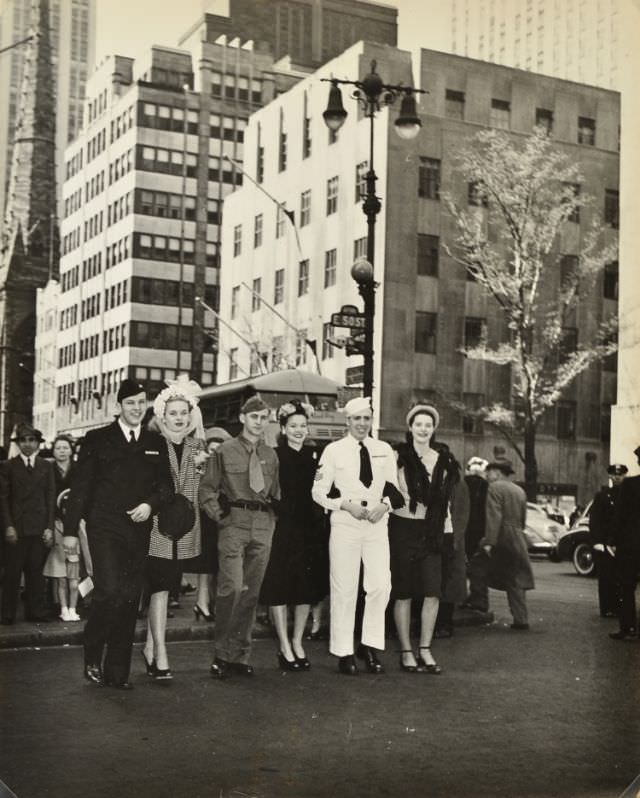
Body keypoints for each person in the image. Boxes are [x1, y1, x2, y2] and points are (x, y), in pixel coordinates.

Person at [63, 379, 173, 689]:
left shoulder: (156, 442)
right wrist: (70, 531)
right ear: (119, 407)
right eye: (130, 403)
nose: (137, 408)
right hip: (104, 526)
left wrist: (150, 506)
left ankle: (116, 673)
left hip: (138, 528)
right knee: (109, 591)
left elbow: (166, 488)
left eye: (141, 402)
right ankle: (93, 651)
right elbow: (81, 487)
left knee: (128, 598)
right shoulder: (97, 439)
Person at [312, 397, 401, 676]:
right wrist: (344, 505)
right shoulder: (333, 451)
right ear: (347, 421)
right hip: (345, 523)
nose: (362, 424)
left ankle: (370, 646)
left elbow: (395, 490)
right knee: (345, 588)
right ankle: (344, 651)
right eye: (357, 419)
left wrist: (385, 505)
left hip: (376, 524)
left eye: (366, 418)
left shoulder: (384, 449)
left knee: (380, 585)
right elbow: (318, 492)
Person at [200, 396, 280, 679]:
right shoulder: (224, 451)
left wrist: (272, 520)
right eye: (254, 417)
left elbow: (276, 493)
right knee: (231, 588)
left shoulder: (270, 455)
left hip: (262, 524)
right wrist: (219, 516)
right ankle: (222, 654)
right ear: (243, 418)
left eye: (264, 418)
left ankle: (239, 655)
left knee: (251, 593)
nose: (259, 423)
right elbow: (206, 489)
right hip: (234, 523)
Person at [141, 377, 208, 683]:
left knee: (168, 587)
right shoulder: (153, 445)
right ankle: (161, 652)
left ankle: (151, 646)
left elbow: (199, 491)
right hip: (156, 528)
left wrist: (203, 467)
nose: (179, 418)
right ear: (163, 416)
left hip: (183, 531)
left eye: (184, 412)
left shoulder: (199, 447)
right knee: (160, 588)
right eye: (173, 413)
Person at [388, 404, 459, 673]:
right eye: (418, 424)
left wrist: (448, 534)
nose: (423, 429)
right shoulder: (398, 458)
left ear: (434, 429)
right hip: (404, 528)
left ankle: (425, 649)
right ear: (410, 427)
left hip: (433, 531)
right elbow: (389, 493)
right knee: (403, 592)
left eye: (428, 424)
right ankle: (407, 650)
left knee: (432, 592)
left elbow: (446, 505)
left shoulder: (443, 460)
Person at [260, 400, 328, 671]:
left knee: (304, 588)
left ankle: (297, 641)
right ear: (284, 429)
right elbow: (266, 489)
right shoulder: (275, 455)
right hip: (283, 527)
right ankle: (284, 646)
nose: (299, 430)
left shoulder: (316, 456)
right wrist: (279, 509)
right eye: (293, 426)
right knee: (280, 586)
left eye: (303, 425)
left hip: (309, 528)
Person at [0, 423, 55, 624]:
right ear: (18, 443)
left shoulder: (46, 466)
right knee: (12, 574)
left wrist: (49, 527)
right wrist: (8, 525)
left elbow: (50, 498)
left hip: (39, 528)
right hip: (17, 528)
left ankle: (36, 612)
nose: (28, 444)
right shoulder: (8, 466)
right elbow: (3, 499)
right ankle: (7, 614)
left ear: (38, 443)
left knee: (36, 574)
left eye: (32, 440)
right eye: (23, 440)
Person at [478, 460, 534, 629]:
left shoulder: (494, 488)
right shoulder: (520, 491)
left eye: (490, 471)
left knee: (477, 568)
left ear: (498, 472)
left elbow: (494, 516)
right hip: (517, 534)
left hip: (502, 535)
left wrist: (489, 542)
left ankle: (476, 603)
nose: (487, 475)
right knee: (517, 578)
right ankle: (521, 618)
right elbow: (523, 519)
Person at [190, 427, 232, 622]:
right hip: (206, 517)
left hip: (220, 516)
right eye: (212, 449)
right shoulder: (202, 467)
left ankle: (206, 602)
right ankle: (202, 602)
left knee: (215, 564)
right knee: (206, 563)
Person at [43, 435, 81, 622]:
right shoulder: (48, 468)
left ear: (71, 450)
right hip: (55, 518)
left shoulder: (78, 468)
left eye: (65, 447)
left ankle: (75, 604)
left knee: (74, 562)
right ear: (53, 450)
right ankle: (57, 604)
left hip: (74, 518)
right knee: (57, 565)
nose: (62, 451)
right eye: (58, 448)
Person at [609, 446, 640, 641]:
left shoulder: (630, 485)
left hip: (631, 544)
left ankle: (628, 628)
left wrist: (613, 540)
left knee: (627, 587)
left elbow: (619, 516)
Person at [590, 464, 626, 618]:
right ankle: (607, 608)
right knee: (605, 577)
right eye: (614, 474)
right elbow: (595, 521)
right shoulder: (602, 496)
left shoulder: (628, 496)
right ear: (610, 476)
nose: (617, 477)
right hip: (605, 544)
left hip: (623, 544)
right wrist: (597, 541)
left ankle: (619, 607)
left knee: (621, 577)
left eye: (620, 474)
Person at [460, 457, 490, 612]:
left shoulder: (462, 484)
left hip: (464, 529)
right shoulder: (488, 487)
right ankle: (479, 599)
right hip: (481, 531)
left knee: (461, 565)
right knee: (479, 568)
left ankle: (462, 598)